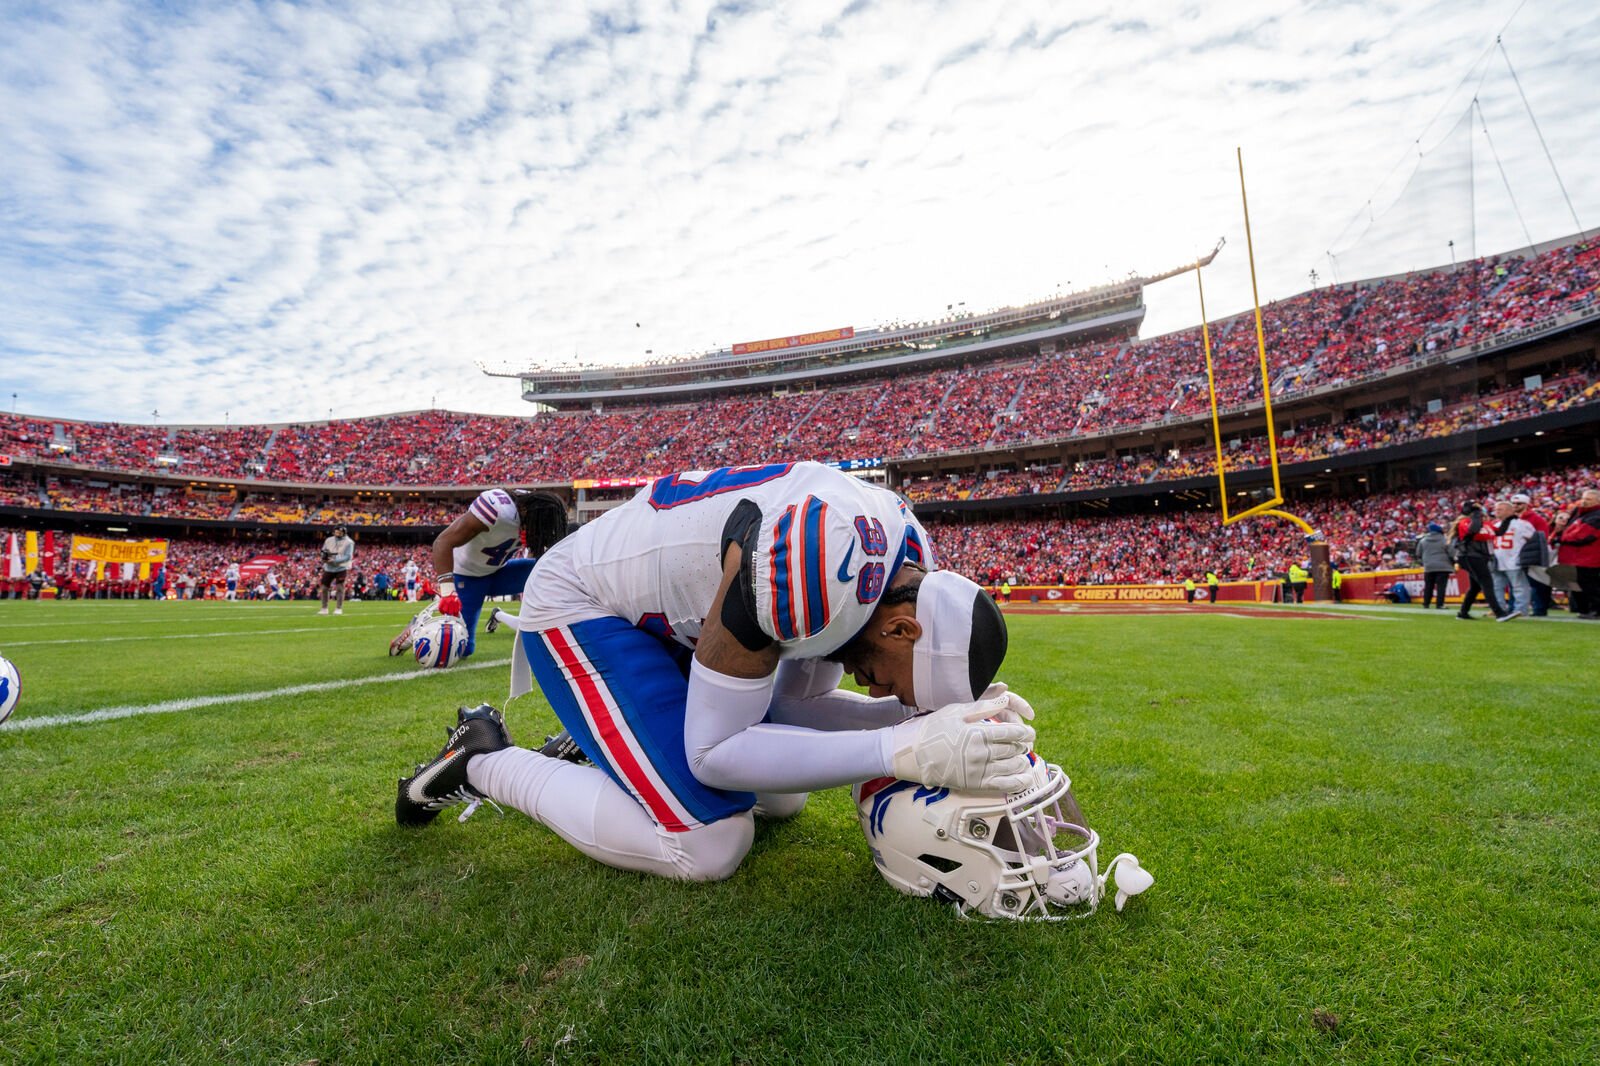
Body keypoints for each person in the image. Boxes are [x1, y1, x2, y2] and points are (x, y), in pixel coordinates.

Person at [395, 461, 1031, 884]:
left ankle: (616, 746)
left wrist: (941, 725)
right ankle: (482, 758)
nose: (879, 689)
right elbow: (716, 753)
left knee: (783, 796)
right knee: (710, 844)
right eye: (896, 684)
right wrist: (902, 743)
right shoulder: (813, 565)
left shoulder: (900, 562)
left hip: (681, 614)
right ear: (900, 629)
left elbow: (794, 713)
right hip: (586, 602)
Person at [389, 489, 569, 658]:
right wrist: (447, 591)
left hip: (499, 573)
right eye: (537, 527)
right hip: (468, 578)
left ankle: (556, 625)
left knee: (551, 567)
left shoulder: (537, 511)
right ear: (527, 514)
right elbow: (442, 542)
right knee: (462, 649)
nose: (538, 533)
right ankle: (417, 630)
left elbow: (545, 554)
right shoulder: (498, 509)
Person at [1451, 501, 1515, 621]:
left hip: (1480, 556)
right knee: (1487, 583)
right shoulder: (1465, 522)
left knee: (1475, 587)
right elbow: (1474, 530)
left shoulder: (1486, 524)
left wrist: (1509, 519)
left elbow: (1500, 532)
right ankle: (1499, 613)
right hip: (1470, 555)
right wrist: (1476, 515)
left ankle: (1463, 613)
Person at [1551, 488, 1600, 619]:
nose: (1584, 501)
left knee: (1590, 586)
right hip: (1573, 557)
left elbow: (1583, 536)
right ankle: (1584, 610)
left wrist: (1561, 539)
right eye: (1583, 498)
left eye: (1588, 499)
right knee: (1577, 586)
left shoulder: (1596, 516)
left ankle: (1595, 610)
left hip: (1588, 559)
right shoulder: (1579, 514)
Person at [1489, 499, 1534, 618]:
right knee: (1496, 586)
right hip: (1498, 560)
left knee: (1519, 586)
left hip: (1514, 559)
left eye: (1500, 509)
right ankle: (1499, 609)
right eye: (1496, 509)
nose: (1497, 511)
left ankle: (1521, 610)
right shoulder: (1495, 525)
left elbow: (1533, 539)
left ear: (1510, 510)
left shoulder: (1522, 524)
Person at [1511, 493, 1552, 616]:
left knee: (1536, 583)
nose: (1515, 506)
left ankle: (1539, 609)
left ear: (1526, 505)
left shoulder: (1536, 519)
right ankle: (1515, 608)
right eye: (1513, 503)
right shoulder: (1512, 519)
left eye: (1519, 504)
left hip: (1532, 555)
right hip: (1516, 555)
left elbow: (1542, 538)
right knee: (1516, 584)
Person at [1413, 523, 1454, 609]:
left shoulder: (1423, 540)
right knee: (1441, 587)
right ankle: (1439, 604)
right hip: (1443, 566)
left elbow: (1418, 553)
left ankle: (1426, 603)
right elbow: (1451, 552)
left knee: (1428, 586)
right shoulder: (1445, 540)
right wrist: (1453, 562)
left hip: (1429, 566)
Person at [318, 525, 355, 615]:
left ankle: (338, 608)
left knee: (339, 588)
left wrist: (335, 560)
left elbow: (348, 556)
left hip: (341, 567)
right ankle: (324, 608)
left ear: (344, 532)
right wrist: (324, 557)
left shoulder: (349, 542)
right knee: (324, 588)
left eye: (339, 532)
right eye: (336, 532)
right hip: (329, 567)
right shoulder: (328, 540)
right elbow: (323, 550)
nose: (337, 534)